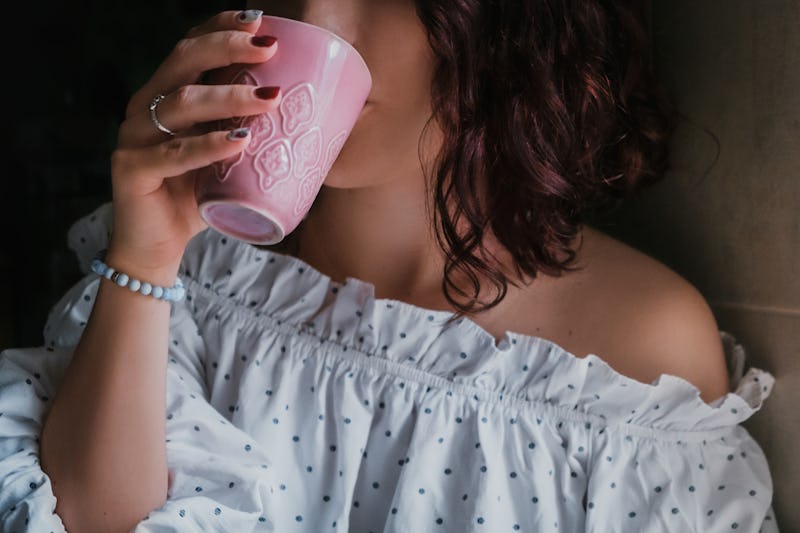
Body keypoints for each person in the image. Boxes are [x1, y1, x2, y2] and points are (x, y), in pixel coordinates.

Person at [0, 2, 778, 532]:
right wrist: (145, 256)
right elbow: (88, 520)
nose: (318, 20)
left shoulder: (634, 362)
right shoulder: (198, 274)